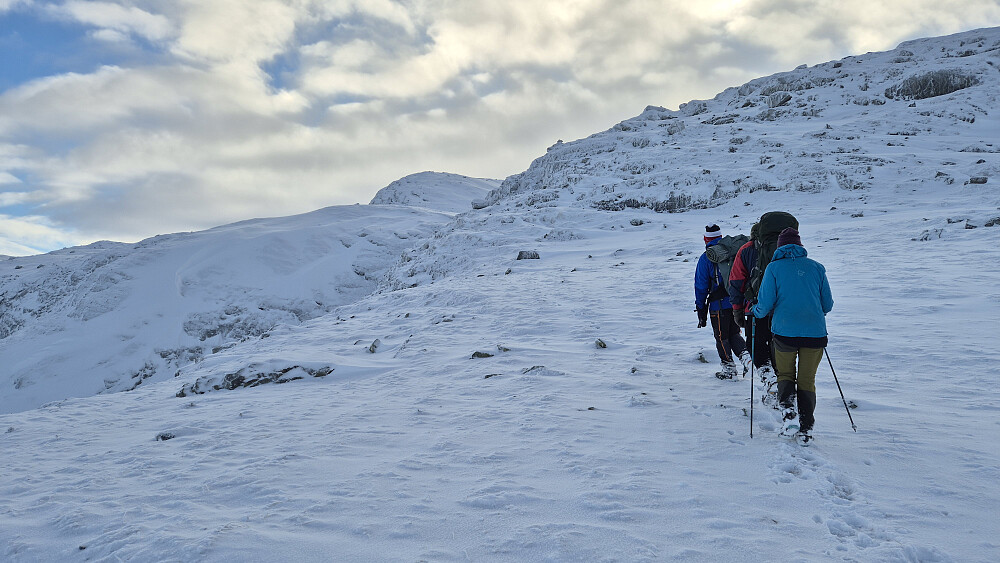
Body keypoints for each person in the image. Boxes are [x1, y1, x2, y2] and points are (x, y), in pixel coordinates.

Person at [751, 227, 833, 443]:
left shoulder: (774, 268)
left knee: (785, 374)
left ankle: (789, 416)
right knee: (807, 379)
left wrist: (754, 310)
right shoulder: (817, 268)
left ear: (780, 247)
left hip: (784, 333)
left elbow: (765, 304)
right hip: (815, 334)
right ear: (799, 245)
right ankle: (806, 429)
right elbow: (828, 304)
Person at [694, 224, 747, 379]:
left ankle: (729, 370)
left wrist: (700, 307)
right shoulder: (733, 252)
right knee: (734, 334)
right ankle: (748, 361)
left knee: (722, 337)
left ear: (705, 239)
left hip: (719, 305)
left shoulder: (707, 257)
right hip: (737, 302)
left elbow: (701, 285)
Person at [728, 223, 776, 383]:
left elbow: (736, 281)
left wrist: (737, 310)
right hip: (782, 310)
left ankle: (769, 380)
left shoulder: (746, 250)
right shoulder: (785, 248)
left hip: (754, 309)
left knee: (757, 347)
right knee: (781, 349)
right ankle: (784, 388)